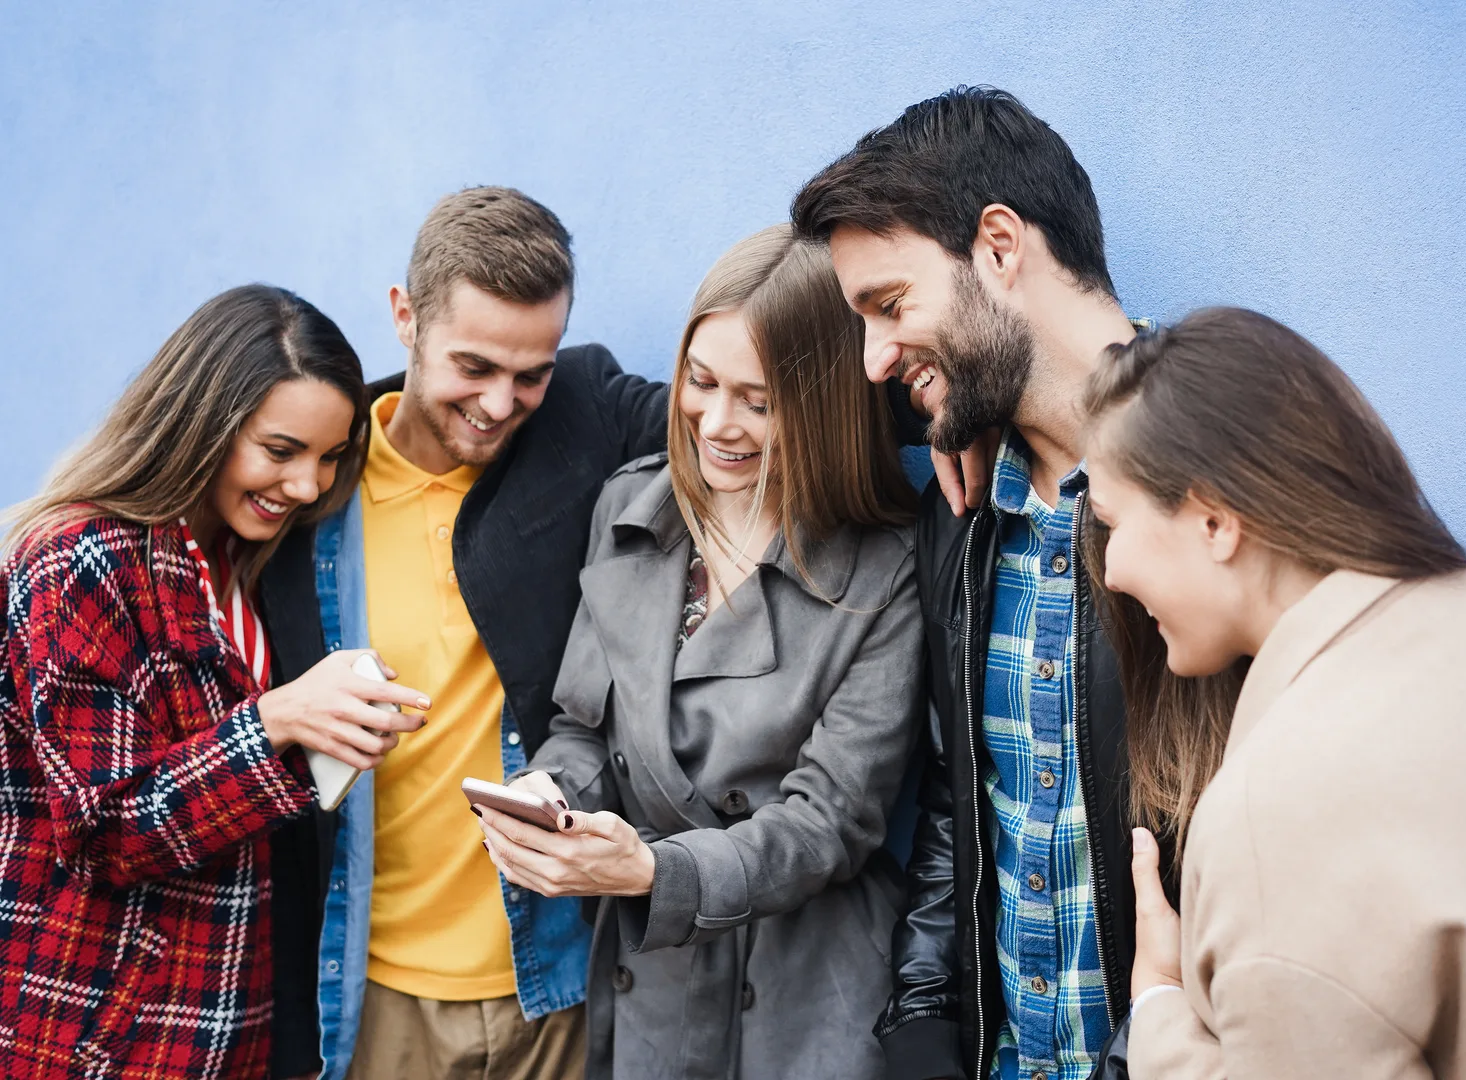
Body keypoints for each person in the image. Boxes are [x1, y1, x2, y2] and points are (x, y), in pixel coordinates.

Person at [1078, 308, 1466, 1079]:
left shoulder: (1277, 812)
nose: (1115, 571)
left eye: (1111, 522)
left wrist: (1161, 1007)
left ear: (1212, 520)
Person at [474, 224, 926, 1079]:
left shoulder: (883, 566)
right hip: (655, 980)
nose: (718, 424)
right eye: (702, 381)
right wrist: (549, 790)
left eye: (758, 401)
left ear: (824, 400)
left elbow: (832, 821)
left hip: (809, 992)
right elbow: (582, 727)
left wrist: (651, 867)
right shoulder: (632, 510)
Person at [258, 187, 670, 1080]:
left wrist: (944, 416)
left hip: (553, 983)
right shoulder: (307, 497)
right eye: (473, 366)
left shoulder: (581, 413)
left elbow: (751, 415)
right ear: (404, 317)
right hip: (370, 993)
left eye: (531, 372)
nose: (500, 402)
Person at [792, 85, 1159, 1080]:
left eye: (889, 305)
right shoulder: (959, 514)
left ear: (1000, 247)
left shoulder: (1208, 491)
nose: (873, 361)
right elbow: (963, 803)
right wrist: (921, 1025)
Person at [0, 285, 428, 1080]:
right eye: (281, 450)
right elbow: (104, 828)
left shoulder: (244, 561)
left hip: (232, 1029)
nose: (306, 486)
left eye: (330, 457)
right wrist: (274, 723)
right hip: (99, 1037)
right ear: (202, 421)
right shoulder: (81, 561)